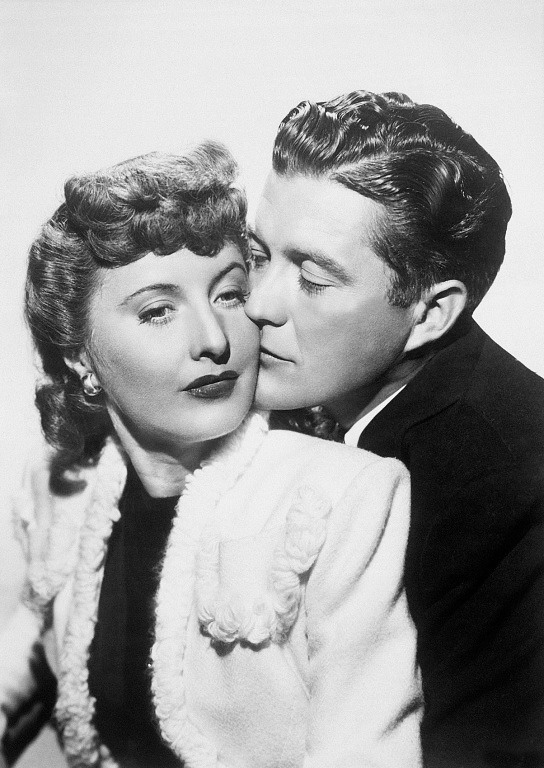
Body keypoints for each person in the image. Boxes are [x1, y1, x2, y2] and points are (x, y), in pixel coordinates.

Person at [0, 142, 422, 768]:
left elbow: (366, 751)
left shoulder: (341, 497)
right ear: (79, 356)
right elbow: (30, 647)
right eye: (158, 311)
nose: (214, 341)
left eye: (228, 295)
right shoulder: (65, 490)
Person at [245, 90, 544, 768]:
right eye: (259, 254)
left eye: (313, 278)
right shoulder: (329, 399)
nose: (259, 302)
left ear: (430, 314)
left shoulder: (498, 494)